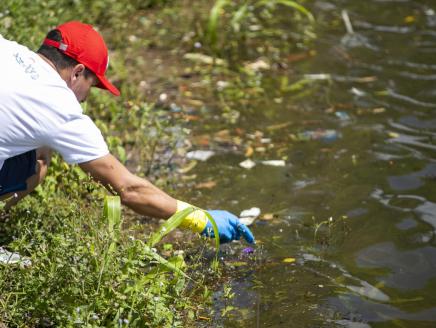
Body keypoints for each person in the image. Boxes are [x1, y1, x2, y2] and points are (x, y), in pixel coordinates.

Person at [0, 21, 255, 245]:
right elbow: (130, 189)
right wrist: (202, 219)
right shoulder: (59, 107)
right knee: (39, 162)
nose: (85, 99)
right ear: (77, 72)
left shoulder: (8, 48)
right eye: (91, 86)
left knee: (37, 147)